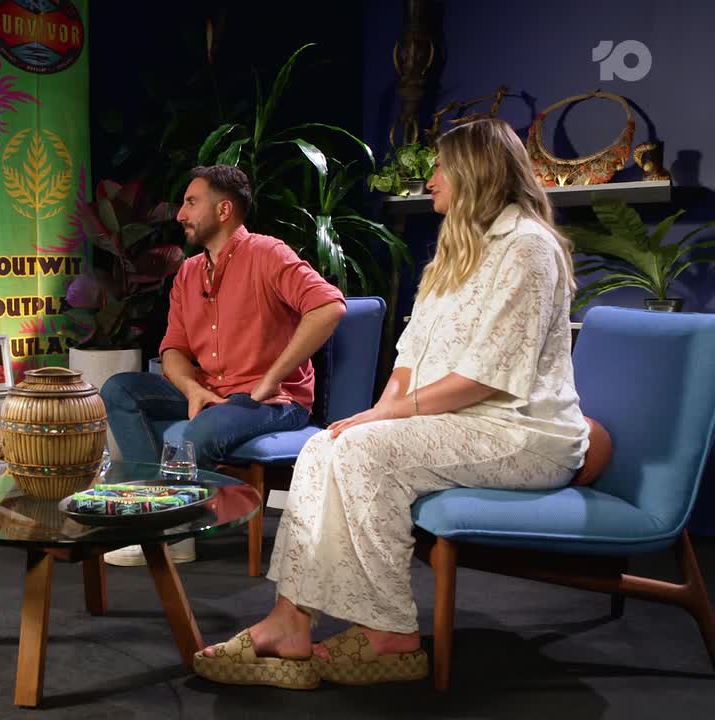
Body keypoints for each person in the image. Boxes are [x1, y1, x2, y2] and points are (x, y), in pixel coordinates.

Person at [193, 118, 590, 689]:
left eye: (441, 166)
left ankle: (390, 636)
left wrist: (382, 419)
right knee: (324, 446)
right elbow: (408, 362)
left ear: (475, 171)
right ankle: (290, 621)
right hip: (455, 424)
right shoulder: (457, 250)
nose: (431, 179)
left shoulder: (528, 247)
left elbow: (483, 379)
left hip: (519, 434)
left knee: (364, 452)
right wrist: (369, 416)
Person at [99, 165, 347, 567]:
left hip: (271, 400)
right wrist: (192, 389)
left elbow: (329, 306)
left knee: (197, 434)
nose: (181, 214)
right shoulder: (188, 272)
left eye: (191, 203)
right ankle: (155, 515)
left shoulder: (267, 254)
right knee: (119, 389)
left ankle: (174, 531)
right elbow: (173, 348)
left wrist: (272, 377)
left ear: (224, 210)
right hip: (213, 389)